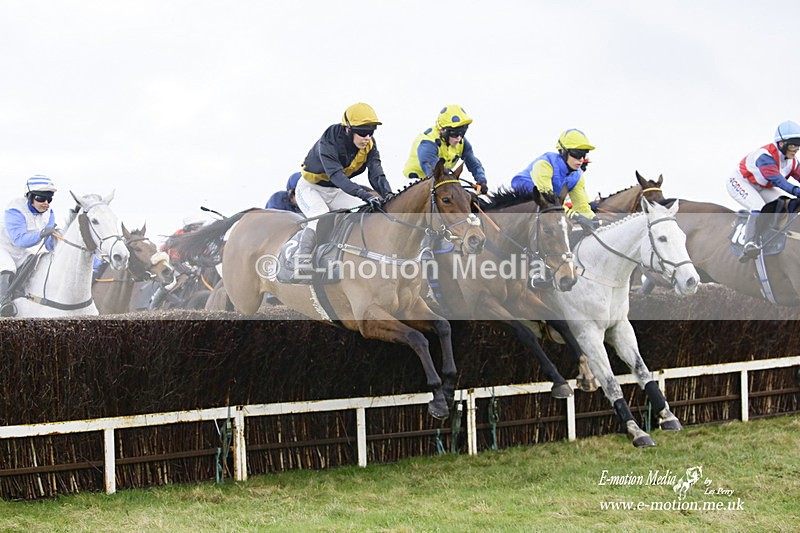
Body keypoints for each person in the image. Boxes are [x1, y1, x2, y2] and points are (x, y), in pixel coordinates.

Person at [293, 102, 392, 272]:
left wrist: (389, 194)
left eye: (371, 132)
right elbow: (337, 176)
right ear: (348, 129)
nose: (367, 137)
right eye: (362, 132)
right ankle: (301, 262)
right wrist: (365, 194)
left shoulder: (369, 145)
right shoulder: (329, 140)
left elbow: (376, 174)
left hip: (336, 190)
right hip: (310, 189)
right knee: (320, 217)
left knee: (364, 212)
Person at [726, 120, 800, 259]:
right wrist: (797, 191)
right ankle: (749, 243)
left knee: (785, 203)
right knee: (759, 206)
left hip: (762, 186)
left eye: (798, 146)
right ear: (781, 144)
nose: (796, 149)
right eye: (793, 145)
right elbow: (778, 180)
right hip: (741, 181)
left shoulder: (792, 161)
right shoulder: (765, 156)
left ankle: (772, 234)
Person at [511, 128, 598, 227]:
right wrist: (575, 216)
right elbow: (548, 201)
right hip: (526, 190)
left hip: (552, 199)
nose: (581, 160)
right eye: (577, 154)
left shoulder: (577, 176)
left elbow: (581, 205)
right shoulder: (544, 165)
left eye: (584, 154)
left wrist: (593, 218)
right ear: (563, 151)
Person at [0, 175, 58, 316]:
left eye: (49, 199)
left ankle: (21, 296)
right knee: (8, 267)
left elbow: (49, 244)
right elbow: (19, 239)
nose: (46, 203)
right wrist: (43, 233)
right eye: (41, 199)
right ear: (30, 197)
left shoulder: (49, 213)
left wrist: (57, 242)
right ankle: (3, 303)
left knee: (34, 261)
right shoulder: (15, 210)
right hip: (4, 247)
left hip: (21, 251)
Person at [403, 104, 488, 193]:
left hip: (442, 179)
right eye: (454, 133)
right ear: (442, 130)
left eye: (462, 133)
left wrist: (481, 180)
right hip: (416, 183)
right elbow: (434, 172)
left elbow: (474, 164)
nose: (458, 138)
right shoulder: (428, 142)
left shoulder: (462, 142)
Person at [148, 217, 206, 310]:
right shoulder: (179, 238)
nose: (200, 229)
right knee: (174, 282)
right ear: (188, 228)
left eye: (201, 226)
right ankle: (155, 303)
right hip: (169, 263)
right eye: (197, 227)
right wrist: (188, 271)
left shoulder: (200, 240)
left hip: (186, 264)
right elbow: (175, 259)